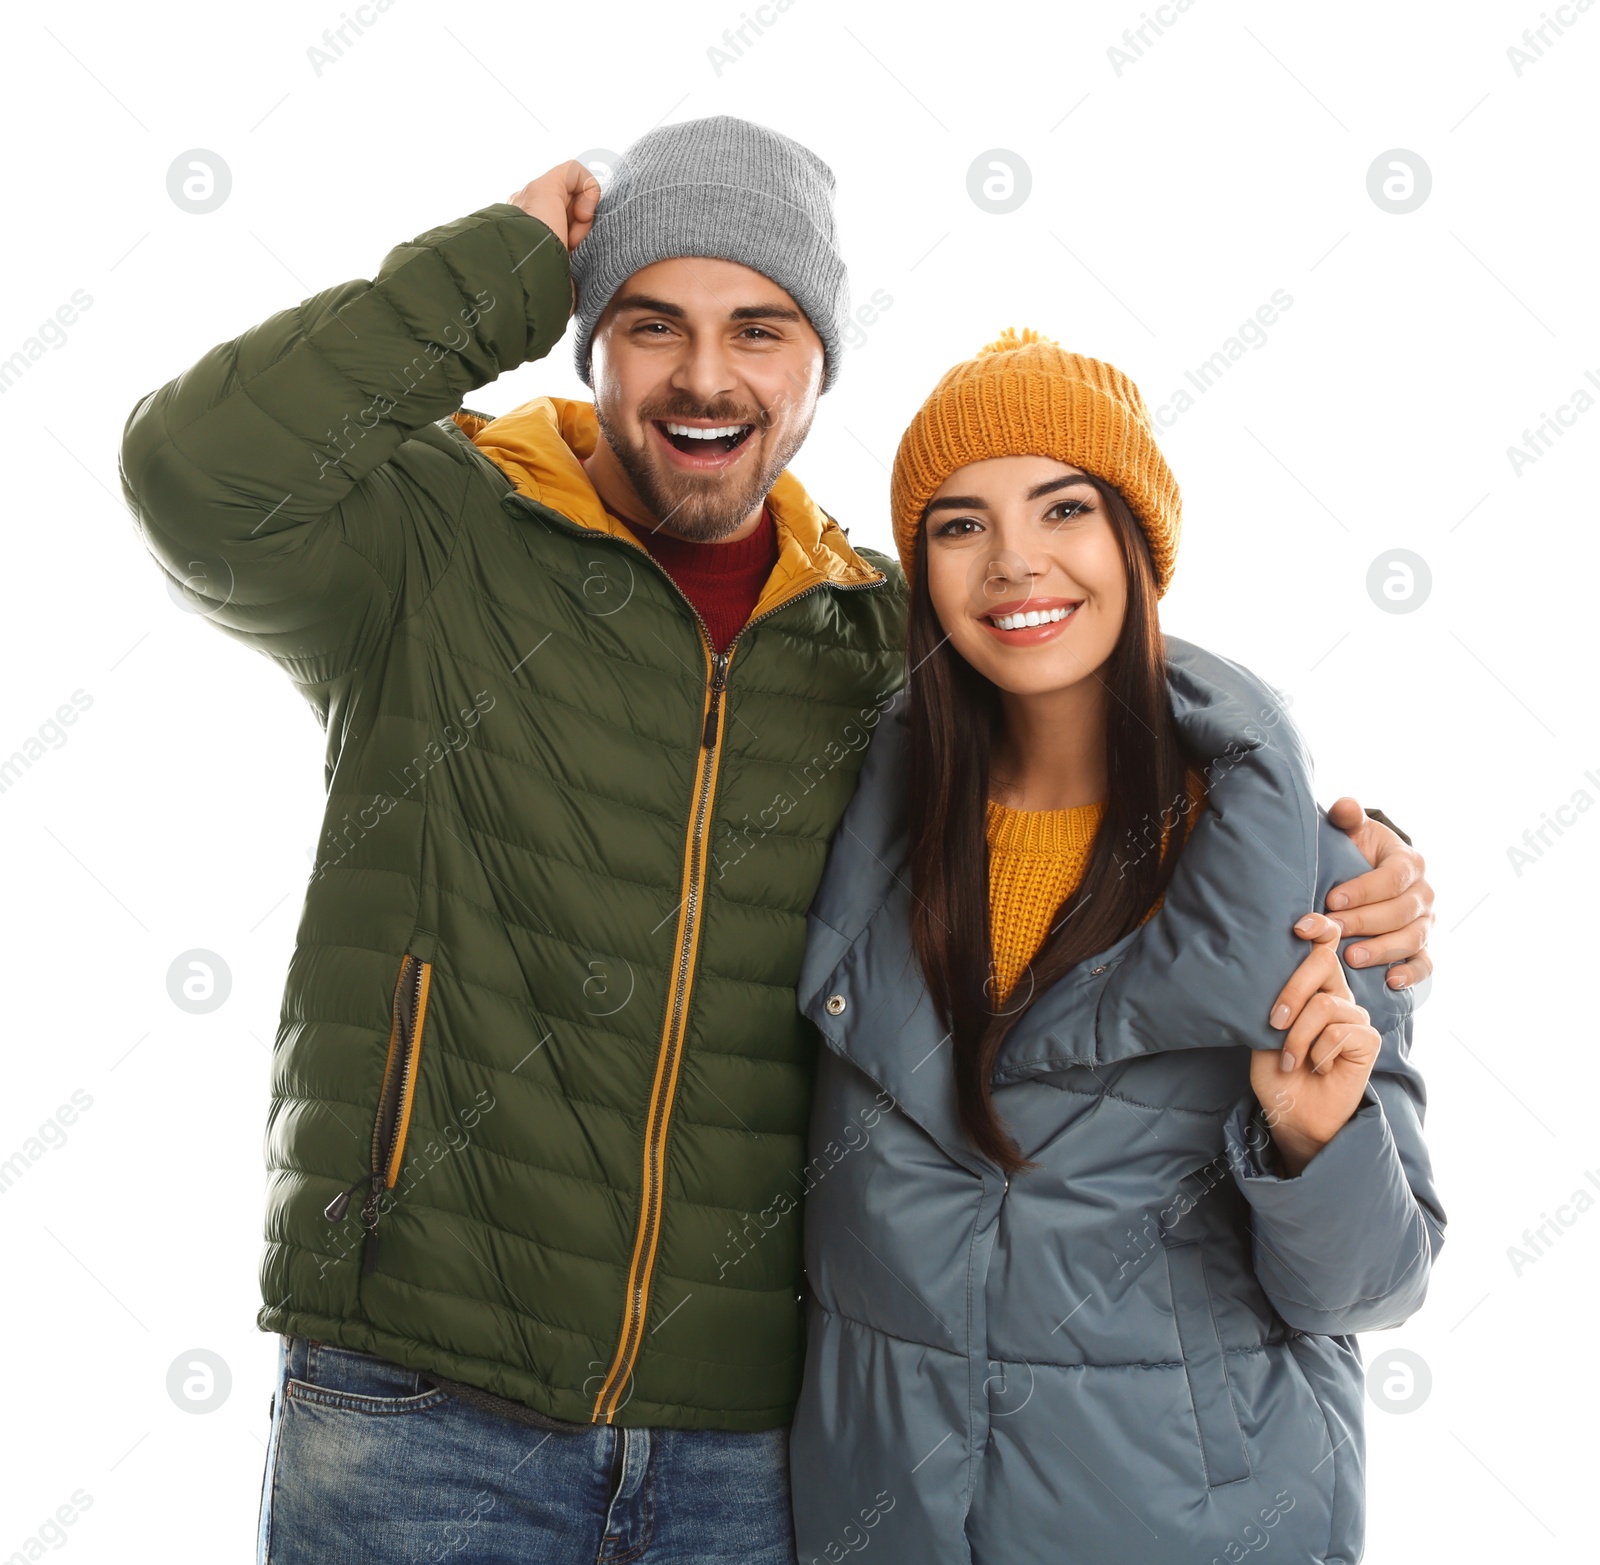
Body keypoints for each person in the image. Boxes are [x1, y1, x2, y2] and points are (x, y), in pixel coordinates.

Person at [117, 113, 1434, 1560]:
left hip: (745, 1444)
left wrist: (1319, 831)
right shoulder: (436, 545)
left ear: (818, 368)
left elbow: (1066, 668)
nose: (703, 375)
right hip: (425, 1411)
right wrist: (495, 267)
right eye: (647, 321)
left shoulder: (876, 646)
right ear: (586, 337)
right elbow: (199, 471)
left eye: (761, 327)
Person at [788, 329, 1445, 1564]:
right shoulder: (853, 830)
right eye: (958, 524)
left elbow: (1375, 1288)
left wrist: (1313, 1140)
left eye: (1064, 508)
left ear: (1137, 544)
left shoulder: (1308, 873)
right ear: (919, 569)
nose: (1015, 562)